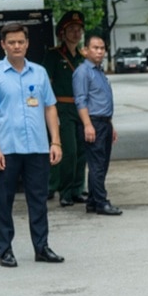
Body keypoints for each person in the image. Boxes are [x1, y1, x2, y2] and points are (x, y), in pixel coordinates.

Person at [0, 22, 64, 267]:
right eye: (11, 42)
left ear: (27, 44)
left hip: (37, 147)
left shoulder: (39, 73)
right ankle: (5, 250)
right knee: (3, 201)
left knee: (38, 199)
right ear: (3, 45)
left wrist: (55, 141)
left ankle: (42, 247)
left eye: (21, 42)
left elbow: (50, 107)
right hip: (8, 149)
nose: (16, 46)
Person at [41, 11, 88, 207]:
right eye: (71, 30)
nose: (76, 33)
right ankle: (66, 191)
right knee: (68, 150)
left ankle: (78, 188)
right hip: (62, 108)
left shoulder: (83, 58)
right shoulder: (53, 55)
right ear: (62, 33)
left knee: (82, 150)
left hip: (81, 108)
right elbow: (45, 84)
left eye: (79, 30)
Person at [72, 33, 120, 216]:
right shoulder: (82, 72)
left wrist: (110, 125)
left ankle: (93, 200)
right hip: (93, 123)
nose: (99, 51)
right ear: (85, 50)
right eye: (95, 48)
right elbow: (80, 100)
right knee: (97, 165)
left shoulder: (98, 71)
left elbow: (101, 100)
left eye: (102, 48)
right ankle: (101, 201)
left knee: (102, 164)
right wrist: (87, 125)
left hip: (104, 123)